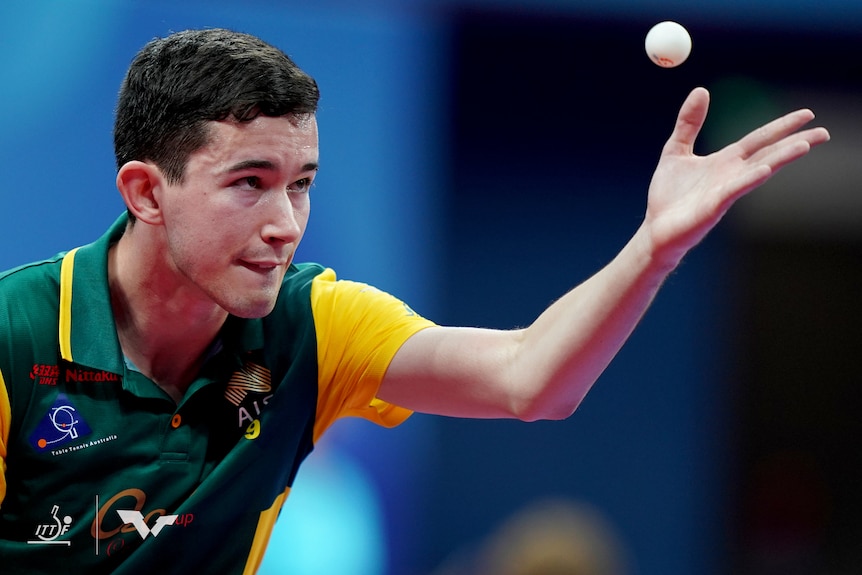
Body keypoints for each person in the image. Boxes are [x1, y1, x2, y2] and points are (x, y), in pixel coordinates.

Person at [0, 28, 829, 574]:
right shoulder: (16, 333)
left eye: (301, 185)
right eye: (248, 184)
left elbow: (529, 378)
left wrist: (655, 248)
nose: (286, 224)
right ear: (147, 191)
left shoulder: (310, 324)